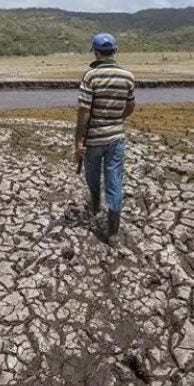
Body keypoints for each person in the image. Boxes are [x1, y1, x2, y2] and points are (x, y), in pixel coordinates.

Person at [74, 33, 136, 246]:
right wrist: (116, 120)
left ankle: (95, 206)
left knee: (92, 176)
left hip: (94, 140)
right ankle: (113, 233)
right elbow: (130, 107)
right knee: (114, 182)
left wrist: (78, 141)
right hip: (116, 138)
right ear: (115, 51)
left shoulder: (90, 76)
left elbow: (84, 113)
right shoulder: (128, 76)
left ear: (95, 52)